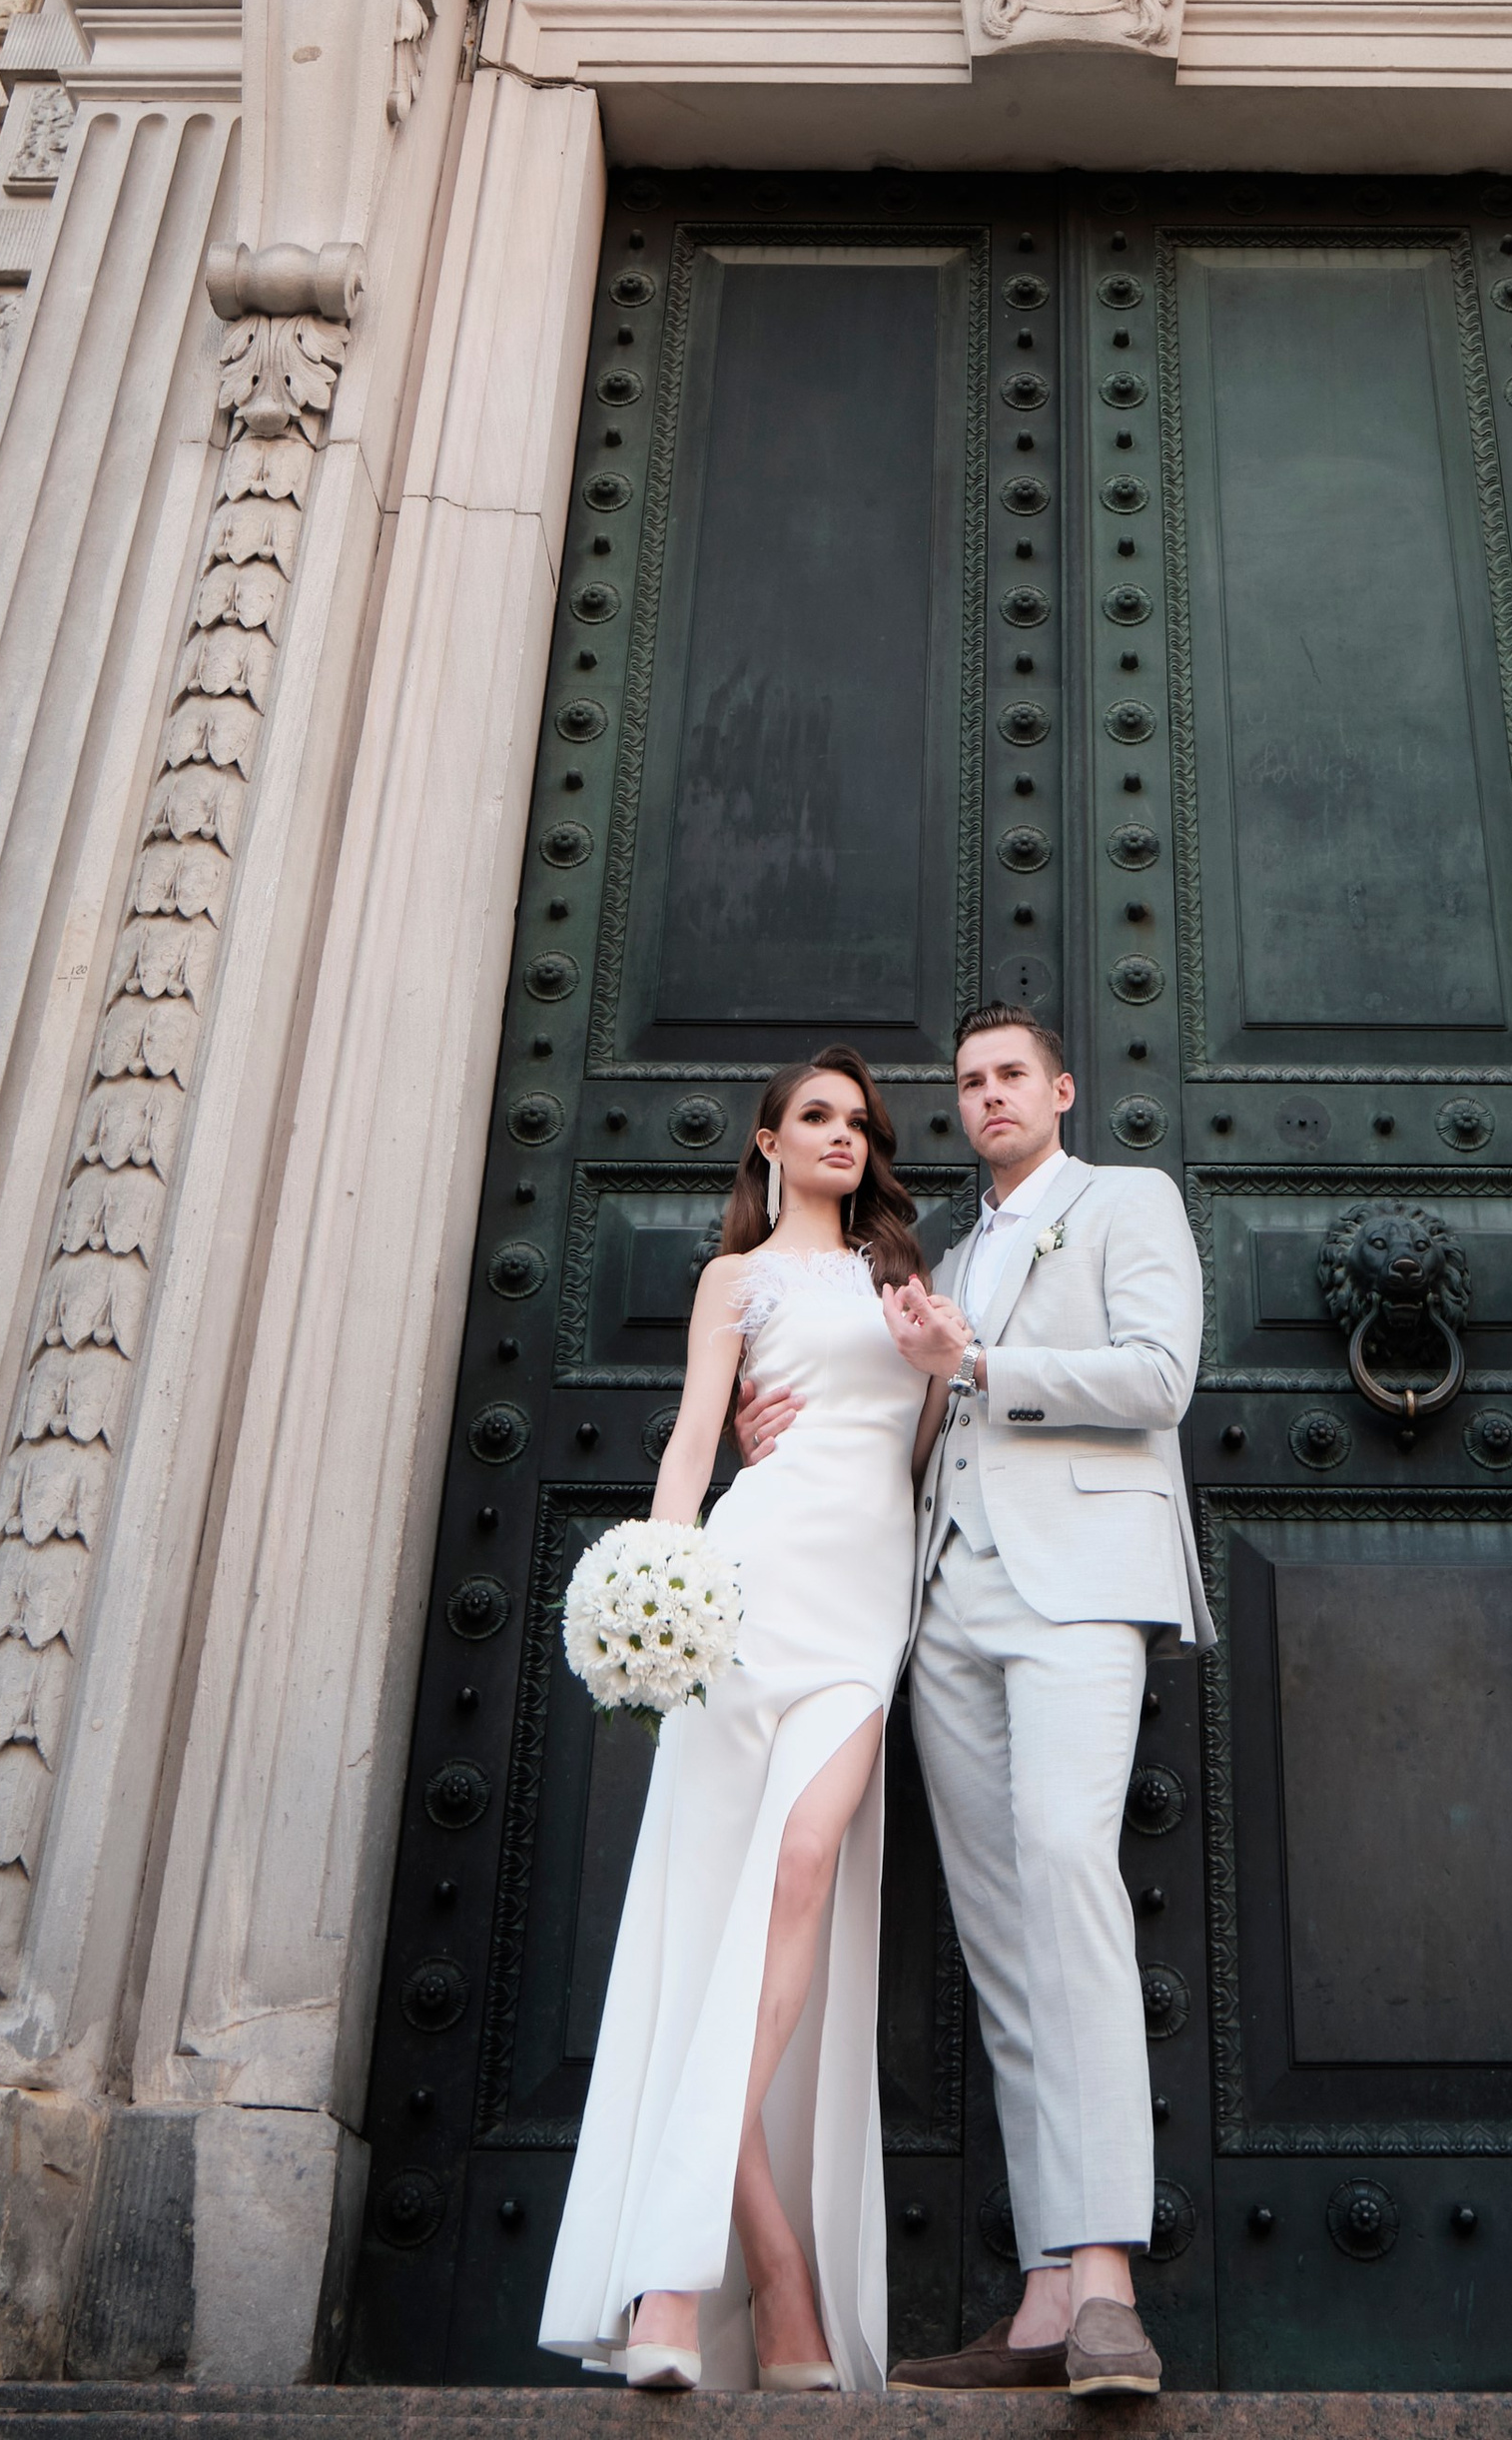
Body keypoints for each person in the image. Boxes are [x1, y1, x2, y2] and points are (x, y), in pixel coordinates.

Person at [738, 1008, 1211, 2397]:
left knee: (1068, 1873)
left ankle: (1111, 2281)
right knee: (1003, 1943)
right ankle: (1045, 2300)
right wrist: (762, 1432)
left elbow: (1158, 1378)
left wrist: (984, 1364)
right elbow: (897, 1419)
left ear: (1060, 1092)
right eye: (968, 1083)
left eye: (1012, 1075)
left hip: (1076, 1586)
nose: (989, 1095)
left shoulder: (1128, 1201)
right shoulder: (940, 1259)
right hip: (943, 1604)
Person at [537, 1051, 934, 2393]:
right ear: (769, 1139)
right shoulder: (736, 1281)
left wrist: (938, 1366)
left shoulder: (904, 1284)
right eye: (815, 1117)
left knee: (805, 1869)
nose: (840, 1136)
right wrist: (657, 1588)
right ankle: (755, 2295)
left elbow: (925, 1445)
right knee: (725, 1940)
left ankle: (693, 2278)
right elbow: (696, 1445)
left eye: (857, 1124)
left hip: (863, 1609)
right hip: (751, 1589)